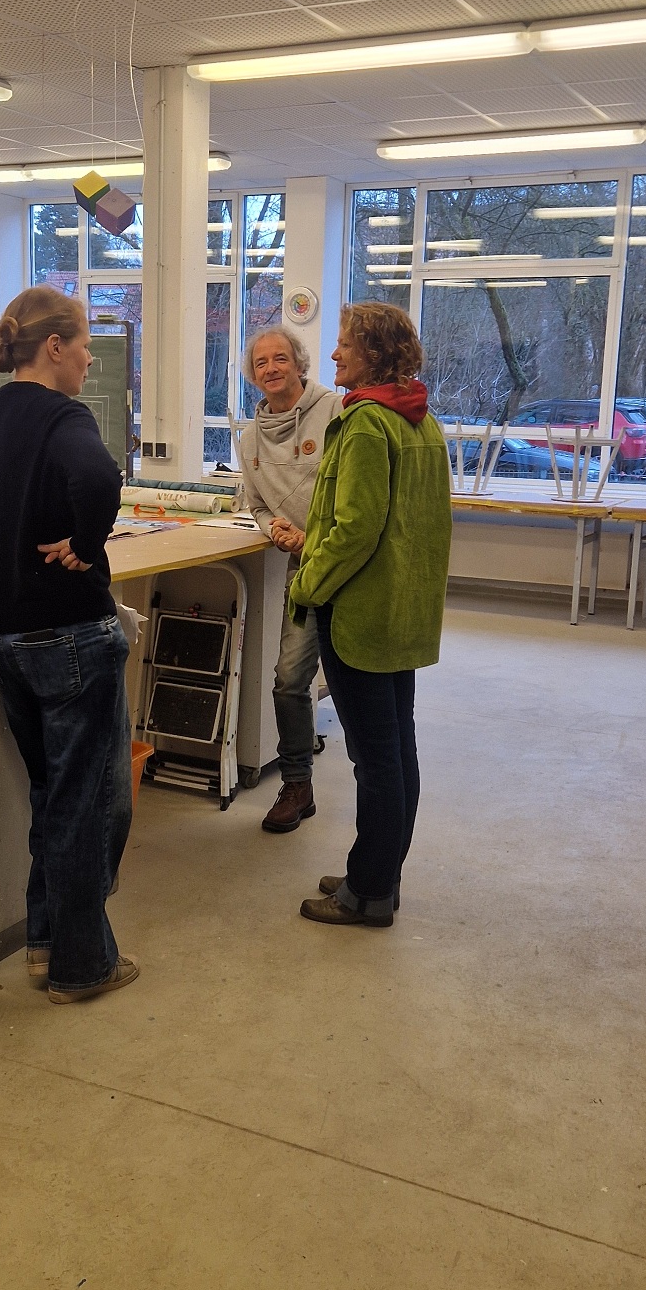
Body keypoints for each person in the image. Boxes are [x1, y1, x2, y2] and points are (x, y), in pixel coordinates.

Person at [0, 286, 137, 1005]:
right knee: (88, 804)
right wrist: (85, 545)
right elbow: (99, 476)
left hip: (2, 632)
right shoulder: (64, 416)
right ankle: (82, 966)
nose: (90, 359)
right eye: (85, 346)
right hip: (68, 632)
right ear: (54, 347)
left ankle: (45, 943)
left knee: (54, 795)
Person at [288, 303, 452, 928]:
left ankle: (368, 891)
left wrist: (308, 586)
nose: (334, 355)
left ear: (375, 354)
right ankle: (379, 873)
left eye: (345, 345)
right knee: (397, 750)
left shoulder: (363, 424)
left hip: (359, 616)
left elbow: (354, 530)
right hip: (402, 613)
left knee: (376, 759)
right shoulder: (421, 421)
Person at [234, 325, 339, 833]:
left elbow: (353, 491)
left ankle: (376, 784)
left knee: (358, 681)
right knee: (289, 679)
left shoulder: (336, 411)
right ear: (252, 376)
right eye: (261, 363)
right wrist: (271, 527)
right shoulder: (249, 438)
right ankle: (298, 784)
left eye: (280, 358)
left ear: (299, 364)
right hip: (303, 571)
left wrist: (311, 535)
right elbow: (256, 504)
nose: (271, 368)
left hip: (349, 562)